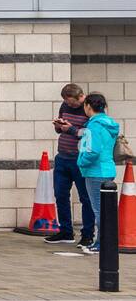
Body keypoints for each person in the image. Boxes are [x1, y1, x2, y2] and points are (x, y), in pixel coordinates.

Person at [47, 83, 94, 247]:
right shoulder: (64, 105)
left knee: (85, 198)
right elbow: (62, 130)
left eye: (72, 103)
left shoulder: (89, 108)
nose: (69, 105)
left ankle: (87, 234)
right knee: (60, 195)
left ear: (80, 97)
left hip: (79, 159)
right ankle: (66, 231)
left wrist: (71, 129)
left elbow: (88, 134)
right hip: (62, 157)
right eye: (67, 103)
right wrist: (59, 127)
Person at [77, 92, 122, 256]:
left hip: (95, 171)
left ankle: (101, 243)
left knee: (99, 210)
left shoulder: (94, 125)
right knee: (106, 209)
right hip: (108, 169)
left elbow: (92, 151)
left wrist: (80, 162)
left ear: (88, 106)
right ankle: (105, 241)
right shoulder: (110, 123)